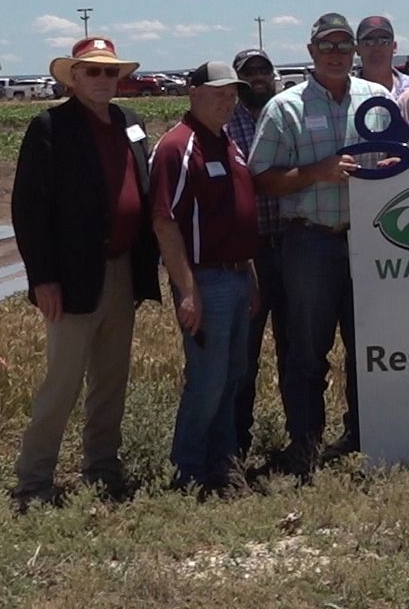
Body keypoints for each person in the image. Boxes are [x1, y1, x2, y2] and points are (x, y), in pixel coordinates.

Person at [10, 36, 162, 508]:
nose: (102, 79)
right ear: (73, 78)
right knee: (63, 381)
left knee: (111, 379)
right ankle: (34, 481)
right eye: (92, 71)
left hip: (121, 271)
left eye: (110, 72)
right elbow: (29, 210)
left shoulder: (130, 123)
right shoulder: (50, 126)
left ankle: (103, 469)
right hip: (72, 277)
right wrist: (43, 279)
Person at [248, 13, 391, 474]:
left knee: (369, 351)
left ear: (354, 52)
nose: (336, 54)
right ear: (310, 52)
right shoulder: (284, 108)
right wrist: (317, 172)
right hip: (310, 243)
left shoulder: (379, 99)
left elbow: (405, 160)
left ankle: (365, 439)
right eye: (326, 46)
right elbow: (262, 181)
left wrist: (393, 166)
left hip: (372, 243)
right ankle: (305, 447)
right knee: (307, 351)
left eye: (343, 47)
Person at [149, 61, 261, 493]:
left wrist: (250, 275)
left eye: (232, 94)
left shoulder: (229, 143)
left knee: (233, 378)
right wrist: (188, 291)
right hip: (205, 282)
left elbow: (235, 216)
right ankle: (188, 473)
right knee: (208, 381)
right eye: (218, 93)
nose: (227, 101)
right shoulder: (179, 146)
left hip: (235, 278)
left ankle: (223, 469)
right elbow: (164, 222)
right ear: (192, 92)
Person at [224, 48, 286, 457]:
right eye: (249, 73)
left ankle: (303, 438)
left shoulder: (286, 115)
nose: (258, 78)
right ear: (237, 80)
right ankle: (235, 445)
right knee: (242, 358)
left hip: (293, 245)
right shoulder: (223, 124)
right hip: (246, 253)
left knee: (298, 349)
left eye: (264, 71)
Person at [353, 16, 409, 97]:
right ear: (357, 49)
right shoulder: (347, 94)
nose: (376, 48)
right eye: (368, 42)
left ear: (394, 47)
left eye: (384, 42)